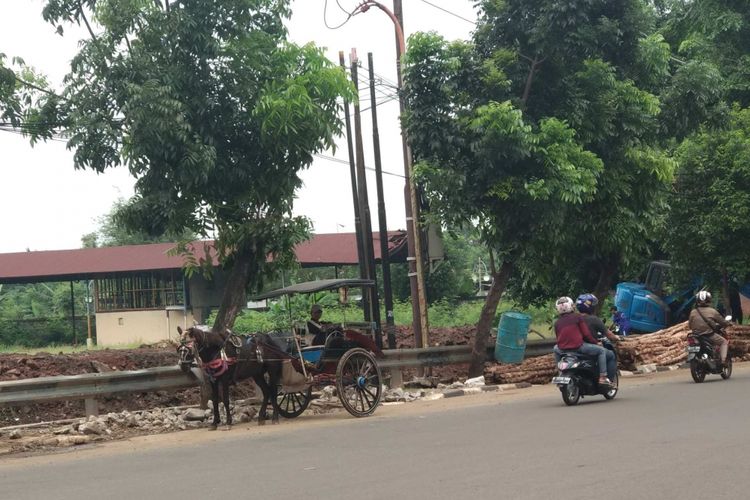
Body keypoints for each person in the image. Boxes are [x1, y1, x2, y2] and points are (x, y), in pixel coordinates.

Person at [553, 296, 613, 386]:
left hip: (562, 349)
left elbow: (558, 338)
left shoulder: (557, 323)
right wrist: (596, 343)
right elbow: (586, 334)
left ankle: (560, 372)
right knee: (601, 351)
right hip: (578, 348)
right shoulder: (577, 317)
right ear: (570, 306)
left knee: (555, 348)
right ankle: (602, 377)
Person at [577, 294, 618, 383]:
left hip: (574, 348)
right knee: (610, 355)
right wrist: (617, 338)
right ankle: (606, 379)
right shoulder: (594, 319)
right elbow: (609, 334)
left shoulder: (574, 318)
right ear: (589, 306)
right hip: (588, 347)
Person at [688, 290, 730, 366]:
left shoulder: (693, 312)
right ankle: (723, 361)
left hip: (696, 336)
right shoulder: (713, 311)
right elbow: (723, 322)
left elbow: (690, 325)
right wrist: (728, 323)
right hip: (709, 335)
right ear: (709, 300)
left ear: (697, 301)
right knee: (724, 342)